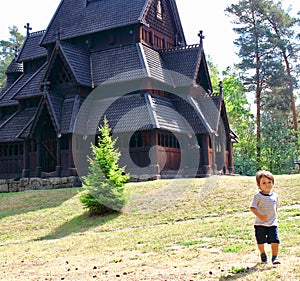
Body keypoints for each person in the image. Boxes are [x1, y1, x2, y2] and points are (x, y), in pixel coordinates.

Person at [250, 170, 281, 264]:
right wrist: (260, 216)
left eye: (269, 182)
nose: (267, 185)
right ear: (258, 184)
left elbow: (276, 207)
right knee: (260, 241)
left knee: (275, 240)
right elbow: (252, 207)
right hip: (260, 224)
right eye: (264, 183)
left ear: (273, 183)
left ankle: (275, 257)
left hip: (272, 223)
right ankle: (262, 253)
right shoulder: (258, 196)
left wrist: (274, 217)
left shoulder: (275, 196)